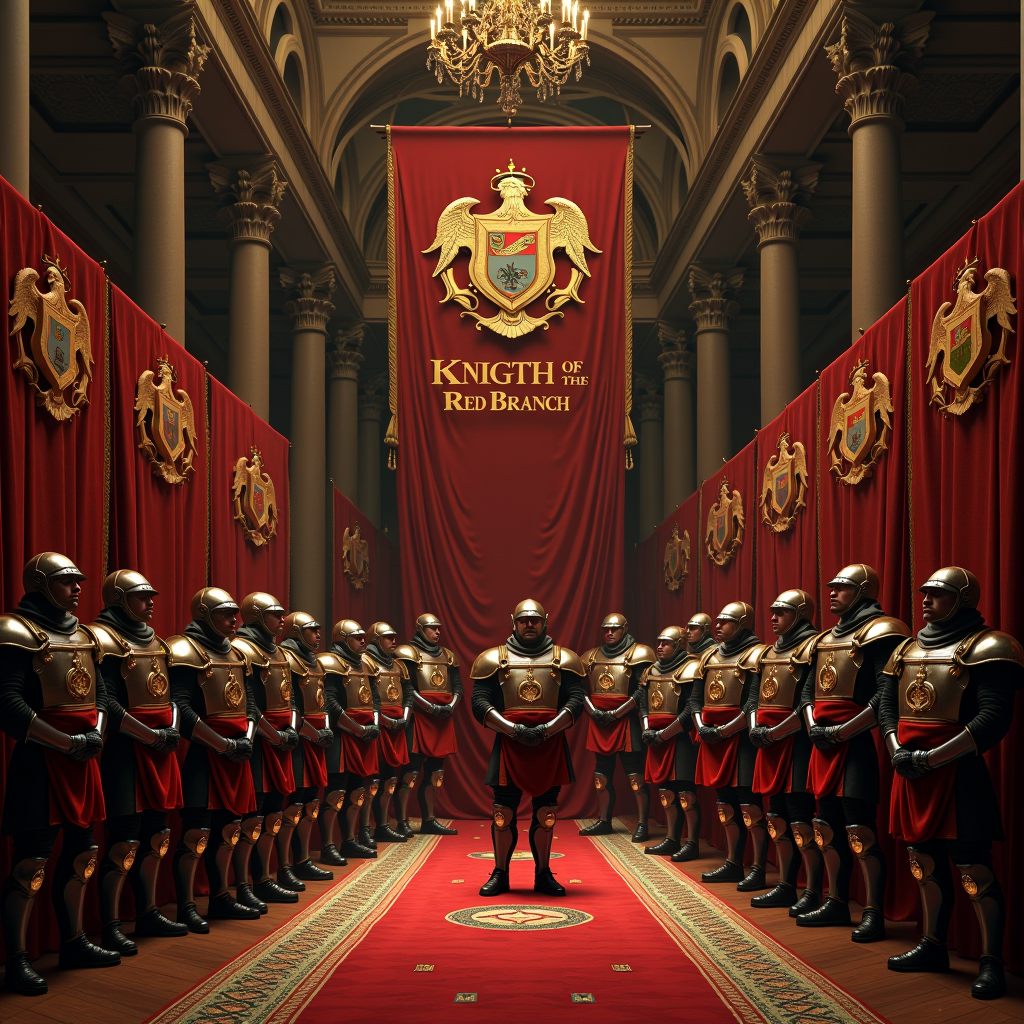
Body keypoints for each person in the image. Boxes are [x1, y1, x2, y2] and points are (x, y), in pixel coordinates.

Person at [881, 567, 1023, 1000]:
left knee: (973, 871)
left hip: (958, 773)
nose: (925, 600)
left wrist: (932, 758)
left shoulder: (989, 646)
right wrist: (898, 753)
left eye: (937, 594)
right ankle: (932, 945)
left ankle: (990, 962)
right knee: (923, 863)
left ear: (962, 598)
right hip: (910, 771)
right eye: (924, 593)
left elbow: (993, 719)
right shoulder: (905, 648)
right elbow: (887, 706)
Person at [0, 553, 119, 995]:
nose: (77, 588)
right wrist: (65, 742)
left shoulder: (85, 635)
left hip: (83, 758)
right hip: (41, 761)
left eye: (79, 581)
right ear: (39, 584)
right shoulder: (15, 630)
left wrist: (96, 735)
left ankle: (73, 941)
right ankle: (17, 959)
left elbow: (102, 695)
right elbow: (9, 706)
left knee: (82, 854)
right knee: (31, 862)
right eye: (66, 582)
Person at [796, 563, 910, 942]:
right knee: (826, 828)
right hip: (822, 744)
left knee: (860, 830)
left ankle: (874, 912)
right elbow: (809, 691)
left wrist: (844, 730)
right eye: (831, 587)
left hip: (854, 742)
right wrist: (813, 724)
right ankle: (836, 900)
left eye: (841, 587)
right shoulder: (825, 638)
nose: (831, 592)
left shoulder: (881, 630)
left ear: (862, 590)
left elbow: (885, 693)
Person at [90, 570, 186, 954]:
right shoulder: (102, 637)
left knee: (157, 837)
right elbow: (107, 701)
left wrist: (169, 731)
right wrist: (150, 736)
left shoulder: (157, 642)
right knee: (122, 841)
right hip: (125, 753)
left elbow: (170, 697)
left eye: (151, 596)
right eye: (141, 596)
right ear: (118, 599)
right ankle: (111, 924)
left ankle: (146, 911)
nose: (150, 602)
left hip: (159, 752)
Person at [470, 599, 585, 898]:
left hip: (551, 743)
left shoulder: (565, 659)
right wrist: (514, 730)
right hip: (510, 744)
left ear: (545, 621)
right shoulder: (493, 659)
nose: (529, 624)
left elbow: (575, 700)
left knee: (546, 813)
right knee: (502, 813)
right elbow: (479, 702)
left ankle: (543, 874)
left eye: (534, 620)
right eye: (524, 620)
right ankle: (500, 874)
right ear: (513, 622)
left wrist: (548, 730)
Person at [168, 588, 260, 931]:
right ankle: (186, 906)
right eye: (226, 614)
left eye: (237, 613)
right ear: (206, 615)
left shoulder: (238, 653)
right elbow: (181, 706)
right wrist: (221, 743)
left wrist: (245, 739)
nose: (235, 620)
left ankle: (222, 896)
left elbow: (249, 705)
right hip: (207, 753)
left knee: (230, 829)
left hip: (236, 753)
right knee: (197, 833)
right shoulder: (184, 650)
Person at [745, 590, 822, 915]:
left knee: (802, 819)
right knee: (776, 817)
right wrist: (755, 728)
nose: (773, 617)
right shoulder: (765, 653)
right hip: (769, 745)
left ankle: (813, 891)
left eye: (782, 611)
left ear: (801, 613)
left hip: (797, 743)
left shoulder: (813, 647)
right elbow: (753, 698)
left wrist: (777, 732)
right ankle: (786, 884)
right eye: (772, 611)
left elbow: (811, 699)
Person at [690, 602, 767, 888]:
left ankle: (758, 868)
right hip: (713, 739)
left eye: (725, 621)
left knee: (750, 805)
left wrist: (727, 729)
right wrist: (701, 728)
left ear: (743, 623)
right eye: (717, 621)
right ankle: (734, 862)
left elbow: (754, 700)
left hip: (741, 740)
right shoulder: (709, 656)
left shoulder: (756, 653)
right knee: (725, 804)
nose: (717, 626)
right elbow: (695, 699)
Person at [231, 594, 302, 907]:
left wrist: (290, 730)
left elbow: (290, 698)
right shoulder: (243, 648)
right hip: (258, 743)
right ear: (257, 616)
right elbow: (248, 704)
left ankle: (270, 874)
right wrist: (272, 735)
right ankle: (247, 883)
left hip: (280, 741)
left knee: (274, 811)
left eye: (283, 614)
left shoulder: (280, 651)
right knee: (253, 816)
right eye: (275, 614)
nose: (281, 619)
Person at [579, 613, 655, 840]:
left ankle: (642, 823)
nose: (609, 633)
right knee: (601, 776)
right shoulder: (590, 657)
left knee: (635, 777)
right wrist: (593, 711)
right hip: (599, 722)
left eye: (614, 629)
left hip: (627, 720)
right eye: (606, 629)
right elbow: (580, 689)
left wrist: (617, 713)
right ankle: (604, 820)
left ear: (625, 628)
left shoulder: (639, 654)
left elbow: (642, 690)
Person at [636, 626, 708, 859]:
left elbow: (691, 706)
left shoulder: (690, 668)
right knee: (666, 792)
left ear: (678, 645)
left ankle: (692, 843)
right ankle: (671, 839)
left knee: (685, 793)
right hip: (656, 739)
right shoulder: (650, 671)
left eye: (666, 643)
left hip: (678, 738)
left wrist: (666, 733)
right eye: (658, 642)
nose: (659, 646)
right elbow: (645, 704)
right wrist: (647, 730)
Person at [395, 613, 463, 837]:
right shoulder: (408, 653)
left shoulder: (448, 656)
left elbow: (457, 688)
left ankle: (429, 819)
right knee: (410, 773)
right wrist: (429, 708)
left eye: (438, 628)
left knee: (436, 773)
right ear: (420, 629)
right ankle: (402, 821)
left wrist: (451, 706)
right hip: (419, 718)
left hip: (442, 719)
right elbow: (408, 688)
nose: (437, 632)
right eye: (432, 628)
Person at [280, 612, 333, 885]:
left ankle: (302, 859)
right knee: (294, 804)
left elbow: (320, 702)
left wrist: (323, 731)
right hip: (297, 740)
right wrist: (310, 733)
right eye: (312, 630)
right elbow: (288, 703)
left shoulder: (314, 660)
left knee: (311, 802)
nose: (318, 634)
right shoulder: (286, 658)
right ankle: (286, 866)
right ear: (297, 631)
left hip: (316, 739)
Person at [320, 620, 380, 859]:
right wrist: (357, 729)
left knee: (357, 791)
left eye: (363, 636)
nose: (363, 640)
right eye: (357, 637)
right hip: (342, 736)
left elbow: (374, 698)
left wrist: (373, 724)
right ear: (343, 640)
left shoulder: (366, 663)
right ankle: (327, 845)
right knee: (337, 793)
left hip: (363, 736)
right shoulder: (331, 663)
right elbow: (329, 702)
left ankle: (350, 840)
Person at [365, 622, 412, 843]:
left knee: (391, 778)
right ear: (376, 639)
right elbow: (368, 698)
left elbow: (408, 695)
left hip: (397, 727)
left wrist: (403, 719)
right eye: (388, 637)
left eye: (394, 637)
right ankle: (367, 828)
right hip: (379, 727)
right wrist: (384, 721)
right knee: (373, 779)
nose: (394, 641)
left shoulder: (398, 666)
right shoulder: (366, 662)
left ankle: (383, 824)